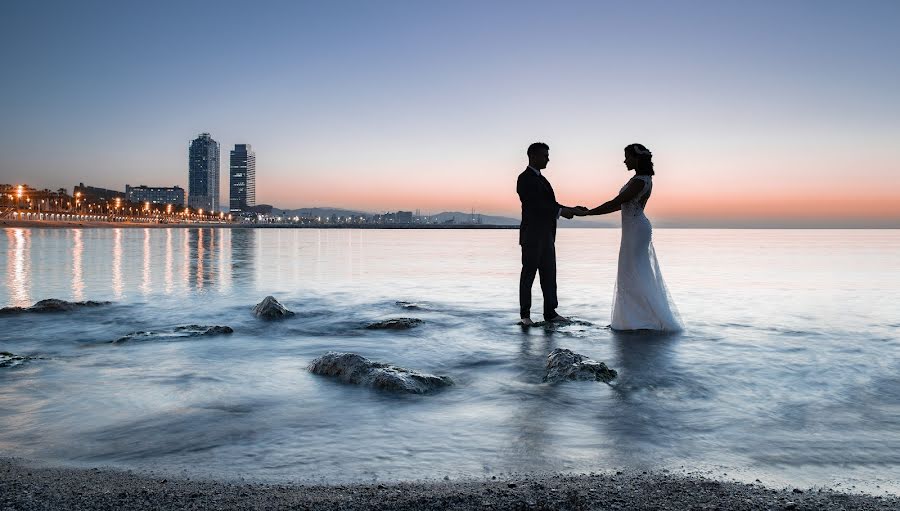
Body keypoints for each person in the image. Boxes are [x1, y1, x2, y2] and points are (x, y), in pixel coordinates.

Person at [573, 143, 682, 331]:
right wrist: (591, 212)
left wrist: (589, 213)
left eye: (627, 157)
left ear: (637, 158)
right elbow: (619, 205)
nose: (624, 160)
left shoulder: (640, 180)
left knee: (634, 271)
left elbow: (617, 202)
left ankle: (642, 319)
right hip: (633, 229)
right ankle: (633, 317)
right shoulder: (639, 179)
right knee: (630, 271)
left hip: (636, 229)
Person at [516, 142, 582, 326]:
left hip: (547, 235)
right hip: (532, 236)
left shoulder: (543, 180)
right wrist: (562, 212)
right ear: (533, 156)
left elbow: (551, 204)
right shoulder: (524, 179)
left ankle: (550, 313)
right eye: (545, 155)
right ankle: (525, 315)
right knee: (528, 274)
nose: (548, 159)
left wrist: (570, 209)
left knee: (549, 274)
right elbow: (536, 205)